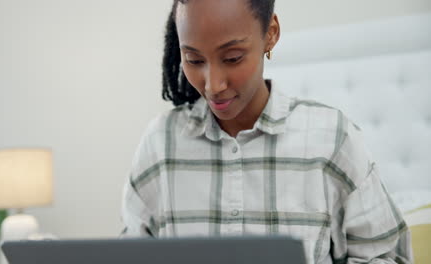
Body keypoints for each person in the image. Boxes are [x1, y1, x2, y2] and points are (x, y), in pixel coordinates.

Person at [121, 0, 413, 263]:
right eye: (194, 60)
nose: (213, 85)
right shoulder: (160, 144)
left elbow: (387, 257)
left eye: (232, 57)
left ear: (270, 33)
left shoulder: (333, 139)